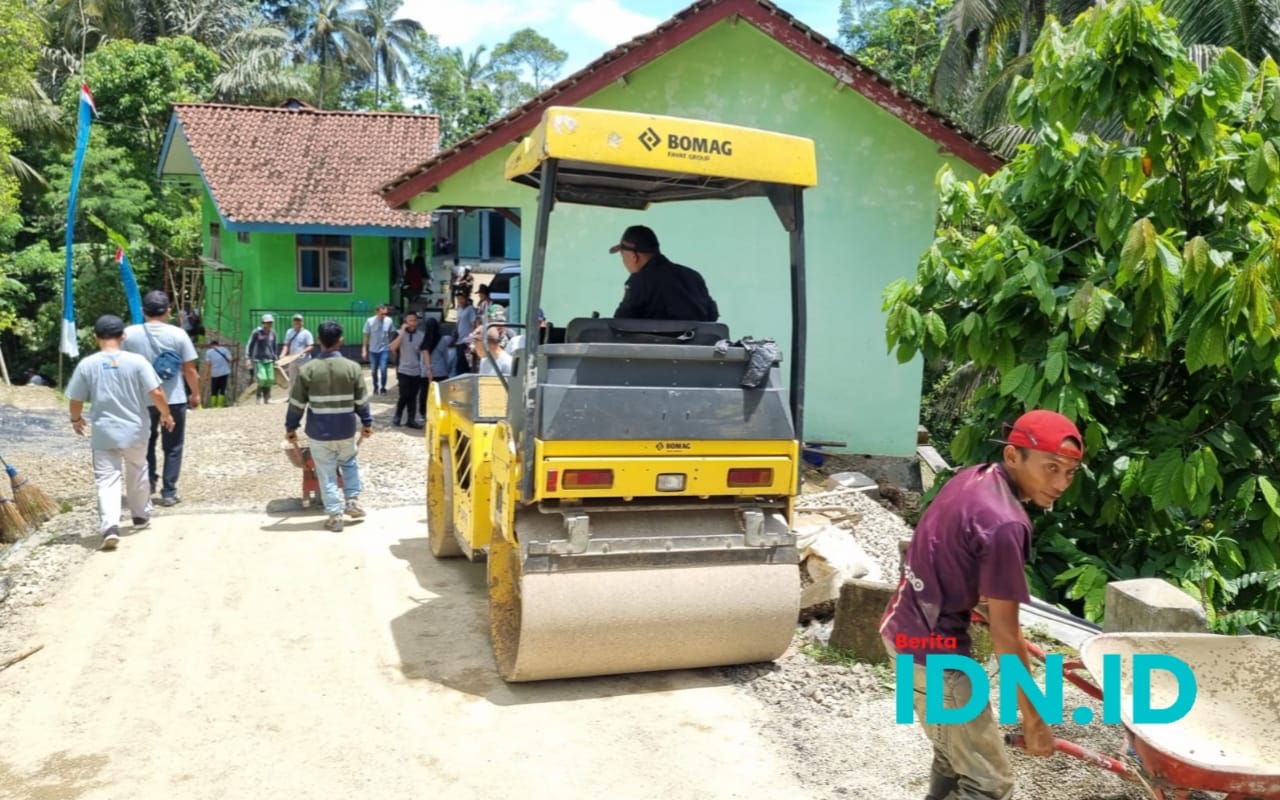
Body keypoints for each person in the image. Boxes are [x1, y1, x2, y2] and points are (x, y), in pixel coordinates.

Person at [879, 409, 1084, 800]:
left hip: (901, 631)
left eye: (1070, 472)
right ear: (1012, 456)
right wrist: (1035, 720)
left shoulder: (972, 478)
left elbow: (953, 552)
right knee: (989, 786)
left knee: (952, 758)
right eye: (1051, 467)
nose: (1061, 483)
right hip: (935, 658)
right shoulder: (1007, 523)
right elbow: (1007, 637)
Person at [66, 314, 175, 551]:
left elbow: (76, 399)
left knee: (107, 479)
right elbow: (156, 392)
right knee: (138, 470)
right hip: (136, 429)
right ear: (123, 336)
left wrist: (75, 419)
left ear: (96, 337)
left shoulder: (87, 364)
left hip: (104, 432)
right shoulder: (137, 362)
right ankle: (140, 515)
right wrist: (166, 415)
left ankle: (110, 527)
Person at [284, 320, 373, 533]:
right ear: (340, 340)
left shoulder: (308, 370)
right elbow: (362, 400)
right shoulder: (352, 368)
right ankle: (351, 501)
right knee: (349, 463)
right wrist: (367, 423)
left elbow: (297, 403)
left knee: (326, 472)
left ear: (318, 341)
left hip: (319, 432)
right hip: (345, 429)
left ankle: (335, 515)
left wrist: (291, 428)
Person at [122, 290, 200, 507]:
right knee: (173, 445)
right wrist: (195, 393)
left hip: (141, 399)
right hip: (173, 399)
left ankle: (148, 484)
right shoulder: (178, 334)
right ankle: (169, 491)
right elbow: (189, 369)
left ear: (142, 311)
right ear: (168, 311)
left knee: (145, 443)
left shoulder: (129, 334)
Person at [608, 225, 719, 321]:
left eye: (623, 255)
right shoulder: (693, 276)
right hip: (700, 344)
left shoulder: (640, 281)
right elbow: (712, 315)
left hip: (656, 345)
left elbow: (621, 322)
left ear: (634, 256)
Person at [388, 312, 426, 428]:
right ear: (405, 322)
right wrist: (402, 332)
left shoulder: (421, 335)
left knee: (413, 396)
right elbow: (392, 347)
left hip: (417, 370)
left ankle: (411, 419)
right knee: (404, 394)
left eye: (414, 320)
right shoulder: (398, 333)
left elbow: (424, 352)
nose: (412, 323)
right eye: (410, 320)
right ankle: (397, 416)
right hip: (403, 369)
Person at [244, 313, 279, 404]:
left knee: (270, 379)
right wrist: (248, 358)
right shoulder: (257, 333)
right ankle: (259, 396)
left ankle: (267, 397)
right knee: (262, 378)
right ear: (263, 323)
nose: (269, 324)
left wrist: (276, 357)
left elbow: (275, 346)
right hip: (259, 359)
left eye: (270, 322)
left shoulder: (273, 333)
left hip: (270, 359)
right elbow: (250, 344)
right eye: (267, 322)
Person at [362, 304, 395, 394]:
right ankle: (375, 387)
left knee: (384, 369)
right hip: (373, 350)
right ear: (376, 312)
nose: (384, 316)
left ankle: (383, 387)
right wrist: (364, 349)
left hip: (384, 349)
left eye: (385, 313)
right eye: (382, 314)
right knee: (373, 371)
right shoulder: (370, 321)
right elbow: (366, 335)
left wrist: (392, 346)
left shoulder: (389, 320)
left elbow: (392, 333)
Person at [281, 313, 315, 385]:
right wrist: (282, 354)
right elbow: (286, 345)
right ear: (293, 322)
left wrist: (302, 351)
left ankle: (306, 395)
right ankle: (291, 395)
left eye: (299, 320)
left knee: (304, 378)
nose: (297, 322)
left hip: (303, 360)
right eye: (295, 320)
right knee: (292, 379)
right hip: (292, 360)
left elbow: (311, 346)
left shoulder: (306, 333)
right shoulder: (289, 332)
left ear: (302, 322)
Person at [453, 290, 478, 376]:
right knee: (459, 364)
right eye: (458, 299)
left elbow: (474, 324)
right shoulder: (459, 309)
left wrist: (471, 339)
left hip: (466, 341)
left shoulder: (470, 309)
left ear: (466, 299)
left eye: (462, 298)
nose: (460, 301)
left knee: (463, 365)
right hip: (459, 340)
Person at [204, 339, 233, 407]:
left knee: (214, 390)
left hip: (215, 374)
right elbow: (230, 359)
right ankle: (220, 405)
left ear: (211, 345)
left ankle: (213, 405)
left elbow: (208, 365)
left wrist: (206, 375)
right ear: (218, 344)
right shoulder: (225, 350)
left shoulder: (209, 352)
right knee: (222, 389)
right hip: (224, 373)